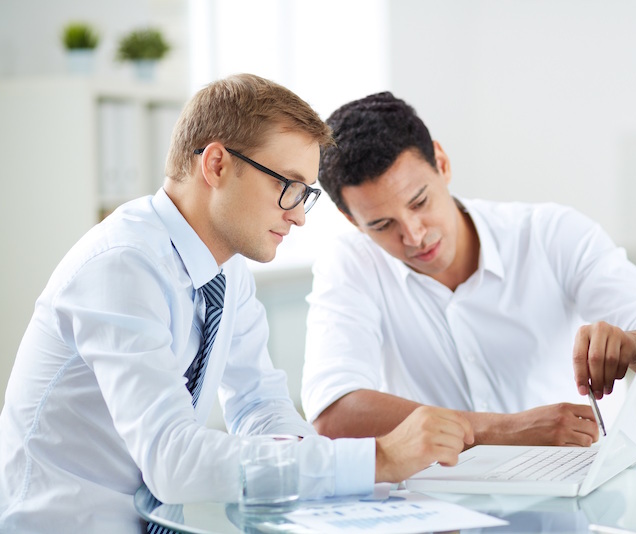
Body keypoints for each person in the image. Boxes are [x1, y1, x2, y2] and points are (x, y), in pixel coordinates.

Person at [0, 75, 473, 534]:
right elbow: (172, 462)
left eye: (306, 194)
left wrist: (352, 495)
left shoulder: (225, 270)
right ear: (217, 165)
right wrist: (377, 459)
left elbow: (260, 406)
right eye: (287, 186)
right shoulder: (123, 265)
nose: (298, 216)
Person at [301, 91, 636, 448]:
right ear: (350, 218)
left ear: (441, 163)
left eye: (419, 201)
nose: (414, 235)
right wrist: (503, 430)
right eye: (381, 225)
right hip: (438, 507)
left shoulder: (549, 234)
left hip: (573, 502)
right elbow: (333, 411)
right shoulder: (349, 263)